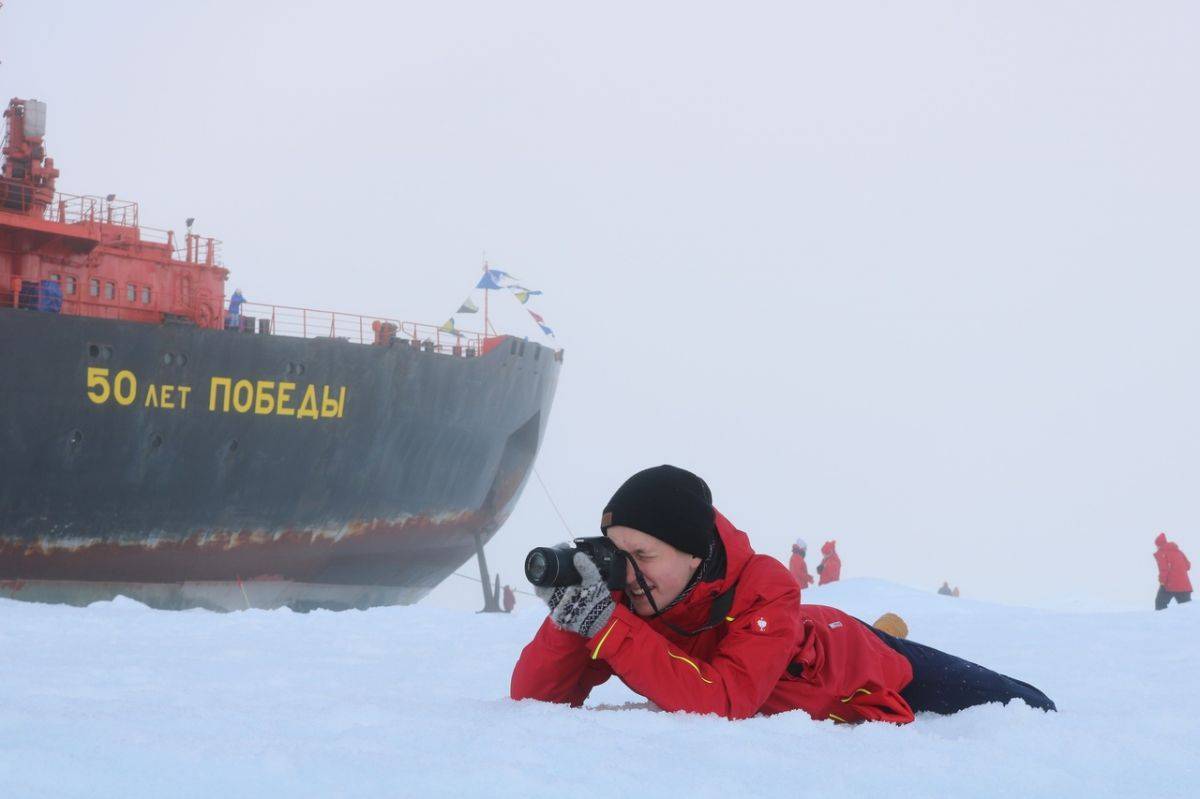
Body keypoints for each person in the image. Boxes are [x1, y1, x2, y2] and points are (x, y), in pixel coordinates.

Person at [510, 465, 1056, 723]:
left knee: (1031, 706)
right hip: (801, 656)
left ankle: (887, 631)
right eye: (614, 553)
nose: (625, 573)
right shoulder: (624, 602)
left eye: (644, 556)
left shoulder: (764, 587)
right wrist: (569, 618)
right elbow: (535, 702)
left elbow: (728, 699)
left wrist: (606, 628)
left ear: (695, 555)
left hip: (856, 658)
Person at [1154, 532, 1192, 610]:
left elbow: (1164, 570)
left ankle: (1161, 621)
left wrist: (1162, 581)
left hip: (1170, 584)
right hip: (1184, 585)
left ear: (1159, 545)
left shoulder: (1162, 553)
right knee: (1187, 609)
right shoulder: (1179, 552)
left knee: (1160, 604)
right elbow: (1188, 566)